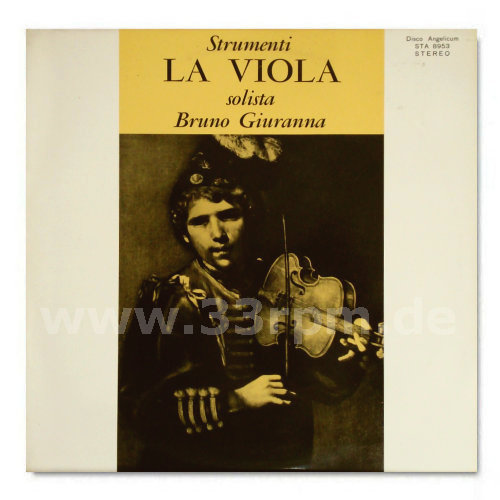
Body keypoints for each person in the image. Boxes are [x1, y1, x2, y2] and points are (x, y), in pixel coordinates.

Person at [119, 138, 370, 471]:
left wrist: (350, 357)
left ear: (248, 218)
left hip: (279, 463)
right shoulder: (170, 298)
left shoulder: (279, 287)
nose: (217, 233)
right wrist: (235, 400)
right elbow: (135, 409)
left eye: (228, 216)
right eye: (200, 222)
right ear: (184, 233)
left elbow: (321, 389)